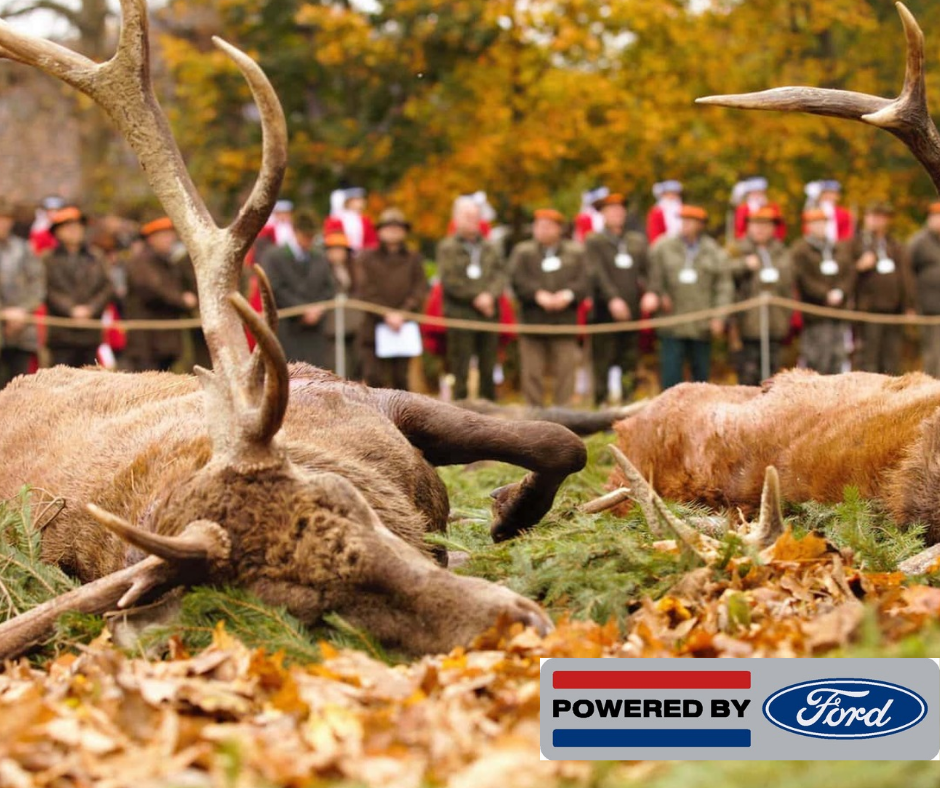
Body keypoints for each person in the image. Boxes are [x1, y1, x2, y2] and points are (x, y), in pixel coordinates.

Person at [642, 204, 732, 389]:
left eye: (691, 221)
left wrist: (719, 316)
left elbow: (724, 286)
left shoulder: (714, 251)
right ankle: (667, 416)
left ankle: (699, 416)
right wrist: (659, 294)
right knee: (670, 378)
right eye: (683, 220)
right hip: (672, 322)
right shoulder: (663, 246)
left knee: (701, 381)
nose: (685, 225)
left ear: (701, 225)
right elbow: (650, 276)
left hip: (701, 325)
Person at [509, 208, 589, 406]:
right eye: (538, 226)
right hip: (532, 322)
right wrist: (537, 295)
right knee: (532, 373)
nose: (542, 230)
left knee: (565, 373)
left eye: (547, 226)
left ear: (559, 229)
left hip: (564, 322)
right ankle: (534, 417)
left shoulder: (576, 252)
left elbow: (585, 280)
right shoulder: (523, 252)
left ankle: (564, 417)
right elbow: (516, 279)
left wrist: (568, 295)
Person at [437, 196, 507, 400]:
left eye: (476, 216)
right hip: (461, 314)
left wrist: (490, 296)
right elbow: (450, 281)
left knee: (488, 366)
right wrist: (478, 298)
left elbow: (500, 275)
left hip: (488, 316)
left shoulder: (490, 246)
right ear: (456, 218)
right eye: (467, 216)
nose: (473, 220)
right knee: (460, 366)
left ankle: (489, 410)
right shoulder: (447, 247)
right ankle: (460, 409)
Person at [585, 192, 649, 404]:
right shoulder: (594, 240)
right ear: (602, 214)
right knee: (602, 360)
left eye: (620, 210)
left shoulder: (635, 241)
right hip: (603, 311)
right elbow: (596, 273)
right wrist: (612, 298)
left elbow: (647, 271)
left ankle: (628, 403)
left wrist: (650, 292)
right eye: (611, 210)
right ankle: (600, 405)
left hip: (632, 309)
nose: (617, 214)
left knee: (629, 360)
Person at [354, 208, 427, 389]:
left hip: (403, 326)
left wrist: (403, 312)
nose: (393, 230)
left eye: (398, 227)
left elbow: (420, 288)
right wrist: (386, 314)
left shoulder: (414, 258)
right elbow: (365, 289)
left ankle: (402, 417)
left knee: (400, 380)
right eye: (388, 226)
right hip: (373, 325)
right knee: (373, 377)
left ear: (404, 231)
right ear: (380, 230)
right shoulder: (366, 258)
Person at [839, 202, 914, 375]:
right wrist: (858, 267)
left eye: (882, 217)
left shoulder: (894, 245)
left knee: (892, 358)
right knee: (868, 358)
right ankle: (869, 399)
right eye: (874, 216)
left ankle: (892, 398)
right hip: (867, 311)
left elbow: (905, 277)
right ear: (866, 218)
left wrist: (909, 305)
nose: (877, 221)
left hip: (893, 312)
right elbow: (842, 276)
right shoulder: (855, 244)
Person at [260, 209, 336, 368]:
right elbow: (275, 288)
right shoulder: (274, 256)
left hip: (315, 330)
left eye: (312, 236)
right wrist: (302, 310)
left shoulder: (320, 257)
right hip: (287, 328)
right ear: (295, 232)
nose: (309, 241)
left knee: (316, 376)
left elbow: (329, 288)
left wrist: (318, 309)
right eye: (306, 236)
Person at [122, 217, 198, 372]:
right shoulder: (141, 262)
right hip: (147, 341)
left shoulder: (167, 262)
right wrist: (182, 300)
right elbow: (154, 289)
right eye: (164, 235)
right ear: (151, 239)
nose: (170, 239)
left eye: (171, 235)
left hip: (165, 341)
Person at [728, 207, 793, 384]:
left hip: (775, 324)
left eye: (765, 225)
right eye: (756, 224)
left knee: (773, 377)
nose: (760, 229)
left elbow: (787, 287)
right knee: (748, 377)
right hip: (746, 326)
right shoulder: (738, 249)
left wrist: (787, 319)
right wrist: (743, 265)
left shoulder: (782, 252)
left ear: (773, 228)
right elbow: (723, 275)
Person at [44, 206, 114, 368]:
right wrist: (70, 310)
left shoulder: (97, 257)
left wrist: (91, 308)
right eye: (68, 227)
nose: (74, 231)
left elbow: (107, 287)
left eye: (77, 226)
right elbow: (47, 290)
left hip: (90, 333)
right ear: (57, 232)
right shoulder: (48, 259)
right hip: (61, 334)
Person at [791, 208, 855, 374]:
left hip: (838, 313)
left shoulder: (838, 248)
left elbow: (848, 272)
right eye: (815, 223)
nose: (819, 226)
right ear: (808, 226)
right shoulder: (801, 249)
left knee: (838, 356)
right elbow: (802, 278)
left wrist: (841, 291)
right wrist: (824, 294)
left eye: (823, 222)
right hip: (815, 314)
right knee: (815, 359)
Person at [0, 198, 45, 387]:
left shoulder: (23, 249)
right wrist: (4, 313)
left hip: (22, 330)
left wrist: (22, 311)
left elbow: (38, 284)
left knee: (21, 390)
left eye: (6, 218)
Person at [321, 230, 362, 379]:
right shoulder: (322, 270)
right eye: (333, 250)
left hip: (354, 324)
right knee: (335, 364)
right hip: (332, 326)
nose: (337, 254)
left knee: (355, 364)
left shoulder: (354, 270)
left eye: (340, 250)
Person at [908, 201, 940, 377]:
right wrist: (911, 304)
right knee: (933, 353)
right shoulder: (918, 242)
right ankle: (932, 389)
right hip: (928, 307)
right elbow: (907, 273)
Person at [731, 176, 786, 241]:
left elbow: (780, 227)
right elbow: (739, 229)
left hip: (770, 243)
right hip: (748, 243)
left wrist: (776, 240)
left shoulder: (773, 207)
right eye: (753, 192)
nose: (756, 195)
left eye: (759, 192)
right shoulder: (743, 209)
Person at [328, 187, 378, 253]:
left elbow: (371, 241)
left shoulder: (365, 220)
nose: (363, 202)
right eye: (358, 199)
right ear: (348, 201)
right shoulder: (335, 220)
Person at [646, 180, 683, 245]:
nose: (672, 197)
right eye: (669, 194)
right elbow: (654, 234)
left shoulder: (683, 211)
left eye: (674, 194)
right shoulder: (656, 212)